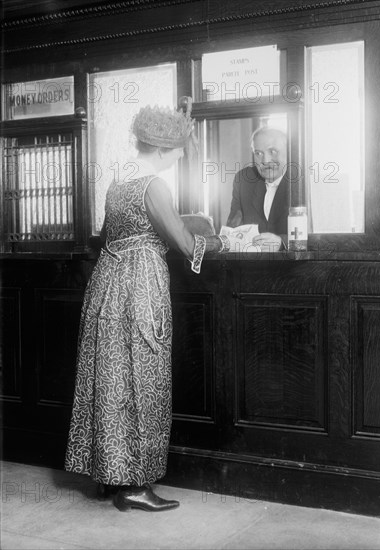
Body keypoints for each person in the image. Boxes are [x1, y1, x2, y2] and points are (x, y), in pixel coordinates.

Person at [64, 103, 229, 513]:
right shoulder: (155, 184)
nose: (179, 157)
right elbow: (185, 245)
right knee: (145, 379)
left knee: (109, 380)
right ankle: (137, 485)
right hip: (140, 287)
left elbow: (109, 235)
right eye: (178, 150)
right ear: (162, 148)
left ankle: (109, 477)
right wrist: (223, 241)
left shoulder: (119, 180)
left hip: (106, 283)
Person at [226, 126, 290, 251]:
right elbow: (233, 231)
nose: (265, 161)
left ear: (289, 152)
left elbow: (314, 236)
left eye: (273, 151)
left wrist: (283, 242)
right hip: (250, 265)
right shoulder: (244, 180)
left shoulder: (300, 182)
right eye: (258, 153)